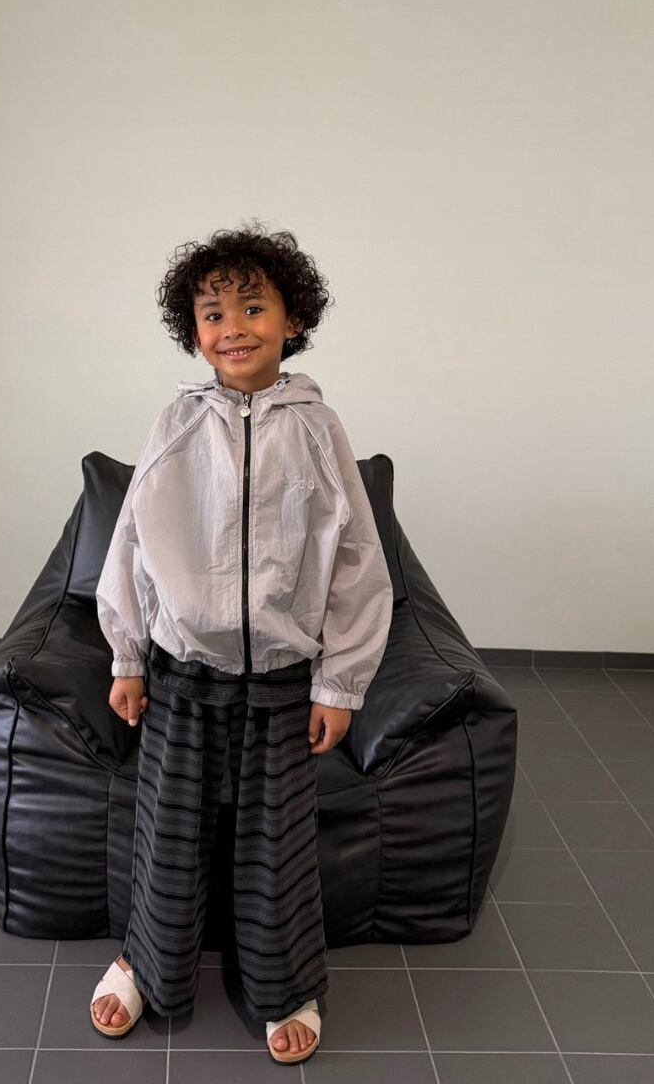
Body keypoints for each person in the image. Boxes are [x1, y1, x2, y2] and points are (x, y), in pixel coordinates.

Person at [90, 221, 394, 1065]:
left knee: (277, 845)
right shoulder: (176, 424)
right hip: (183, 675)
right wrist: (126, 655)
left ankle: (286, 986)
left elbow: (357, 559)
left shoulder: (319, 428)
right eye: (214, 313)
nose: (234, 328)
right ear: (193, 331)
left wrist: (339, 684)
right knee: (167, 832)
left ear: (292, 319)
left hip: (285, 684)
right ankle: (142, 962)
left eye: (254, 308)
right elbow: (132, 545)